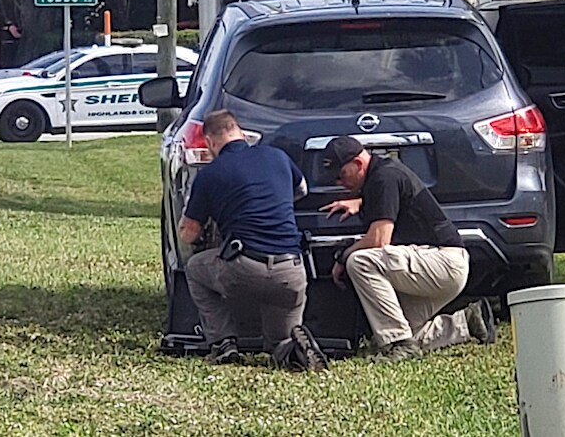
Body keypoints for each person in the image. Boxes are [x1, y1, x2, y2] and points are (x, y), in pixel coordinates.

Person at [320, 136, 496, 362]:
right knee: (391, 330)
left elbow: (379, 240)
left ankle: (399, 344)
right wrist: (361, 202)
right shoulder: (381, 175)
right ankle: (467, 322)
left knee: (360, 261)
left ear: (358, 163)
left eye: (341, 174)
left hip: (443, 262)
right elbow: (393, 198)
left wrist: (343, 255)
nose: (338, 182)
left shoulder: (384, 177)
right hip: (441, 264)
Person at [179, 110, 328, 370]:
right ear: (240, 132)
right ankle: (293, 349)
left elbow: (189, 234)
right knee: (278, 343)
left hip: (244, 267)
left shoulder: (210, 175)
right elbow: (301, 190)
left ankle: (223, 343)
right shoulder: (277, 157)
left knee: (195, 269)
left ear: (211, 142)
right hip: (291, 271)